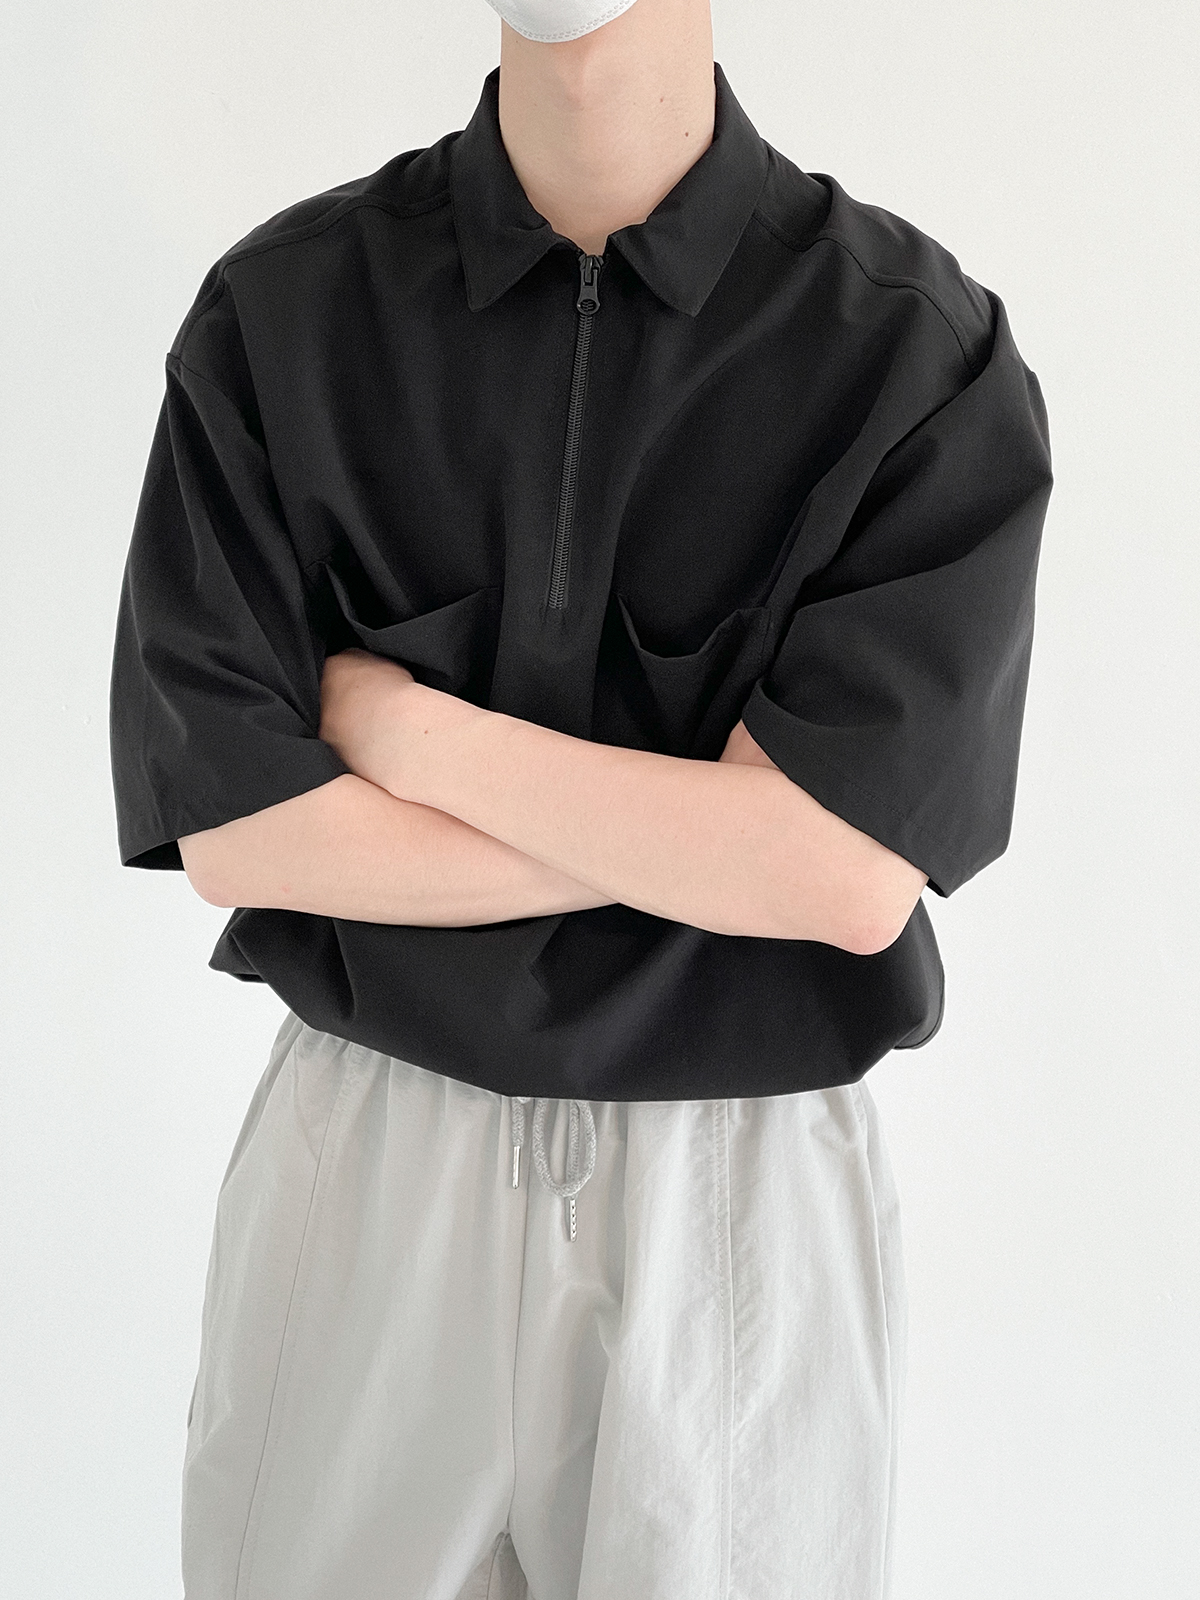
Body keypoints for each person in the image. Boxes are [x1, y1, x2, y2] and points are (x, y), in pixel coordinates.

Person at [108, 0, 1052, 1595]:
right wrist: (719, 836)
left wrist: (412, 736)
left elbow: (843, 881)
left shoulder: (913, 354)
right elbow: (241, 828)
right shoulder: (287, 311)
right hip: (372, 1145)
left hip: (737, 1188)